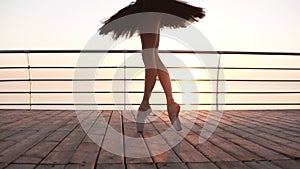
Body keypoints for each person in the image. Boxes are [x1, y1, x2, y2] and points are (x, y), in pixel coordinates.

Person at [99, 0, 205, 132]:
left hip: (148, 6)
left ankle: (145, 104)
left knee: (149, 56)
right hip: (151, 6)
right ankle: (169, 103)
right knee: (153, 55)